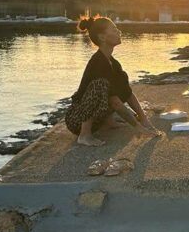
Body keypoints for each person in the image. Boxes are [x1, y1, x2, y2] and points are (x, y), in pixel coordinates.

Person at [65, 15, 161, 145]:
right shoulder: (98, 62)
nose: (119, 32)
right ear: (102, 37)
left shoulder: (113, 63)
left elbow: (128, 93)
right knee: (101, 85)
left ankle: (109, 122)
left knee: (120, 82)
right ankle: (84, 135)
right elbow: (115, 102)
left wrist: (144, 120)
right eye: (114, 30)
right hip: (76, 119)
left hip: (98, 121)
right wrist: (138, 128)